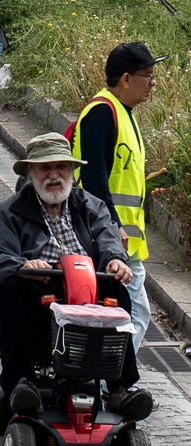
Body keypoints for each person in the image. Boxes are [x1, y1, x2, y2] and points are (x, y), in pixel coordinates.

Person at [0, 136, 152, 422]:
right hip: (37, 287)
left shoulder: (90, 205)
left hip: (83, 286)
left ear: (71, 171)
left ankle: (120, 387)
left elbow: (108, 239)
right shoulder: (10, 210)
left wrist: (115, 261)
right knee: (11, 290)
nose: (54, 175)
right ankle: (21, 382)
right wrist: (23, 264)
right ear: (32, 174)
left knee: (118, 291)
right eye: (45, 168)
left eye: (61, 167)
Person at [72, 41, 162, 348]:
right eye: (147, 75)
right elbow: (93, 178)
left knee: (124, 315)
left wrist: (148, 184)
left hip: (121, 241)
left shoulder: (124, 112)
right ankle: (118, 386)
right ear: (126, 78)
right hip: (109, 239)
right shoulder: (102, 112)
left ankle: (114, 384)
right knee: (134, 315)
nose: (153, 82)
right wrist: (112, 226)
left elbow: (116, 176)